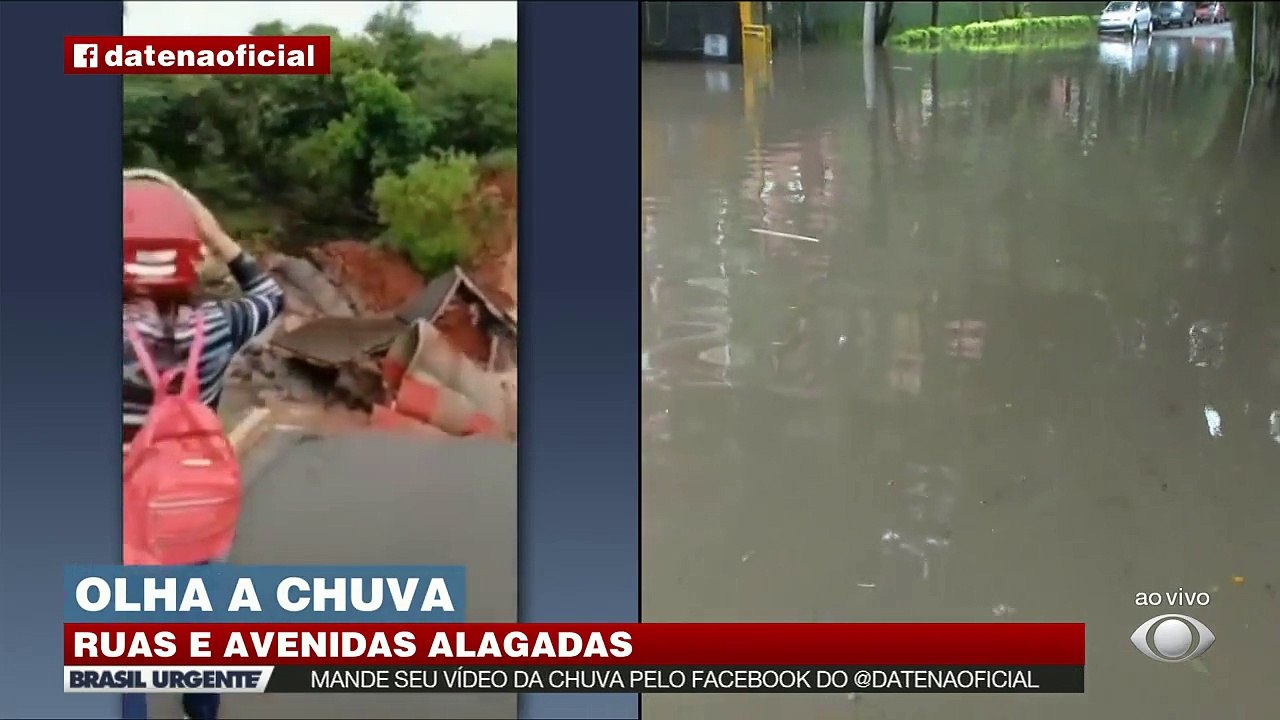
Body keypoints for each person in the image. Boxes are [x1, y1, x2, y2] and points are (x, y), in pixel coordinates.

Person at [121, 189, 285, 720]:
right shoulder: (217, 324)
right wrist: (217, 236)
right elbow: (271, 298)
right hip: (201, 505)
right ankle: (202, 707)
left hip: (131, 521)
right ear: (190, 256)